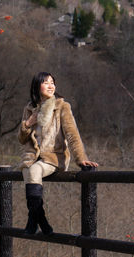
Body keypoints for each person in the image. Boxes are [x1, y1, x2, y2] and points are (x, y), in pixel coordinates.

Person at [18, 72, 98, 235]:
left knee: (33, 171)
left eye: (52, 82)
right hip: (32, 158)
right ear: (37, 86)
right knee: (28, 170)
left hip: (54, 157)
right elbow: (21, 139)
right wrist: (28, 123)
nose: (50, 85)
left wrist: (81, 158)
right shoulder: (29, 108)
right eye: (46, 82)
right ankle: (43, 224)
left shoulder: (62, 106)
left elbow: (72, 134)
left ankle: (33, 222)